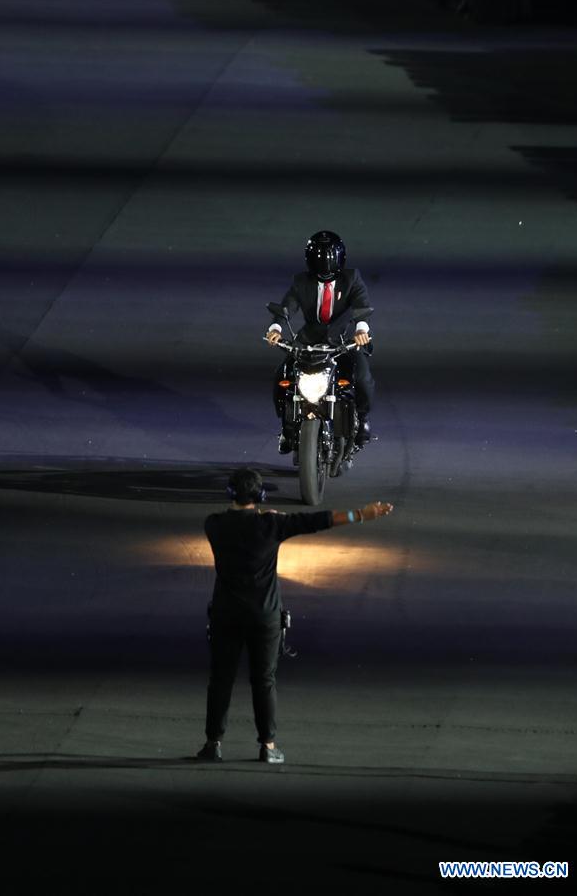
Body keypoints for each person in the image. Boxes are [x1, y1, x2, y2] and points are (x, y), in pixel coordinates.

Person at [197, 467, 394, 764]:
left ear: (230, 494)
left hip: (226, 614)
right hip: (264, 616)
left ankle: (213, 743)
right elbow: (318, 521)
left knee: (220, 680)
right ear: (260, 495)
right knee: (264, 680)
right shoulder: (273, 525)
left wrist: (266, 518)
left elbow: (235, 522)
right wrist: (361, 514)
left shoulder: (213, 525)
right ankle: (268, 745)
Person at [266, 230, 375, 450]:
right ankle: (287, 427)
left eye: (330, 259)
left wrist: (361, 330)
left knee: (362, 379)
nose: (325, 265)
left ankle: (362, 420)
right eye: (319, 259)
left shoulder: (352, 278)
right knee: (282, 377)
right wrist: (275, 328)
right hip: (308, 341)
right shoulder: (301, 281)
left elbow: (361, 307)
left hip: (344, 342)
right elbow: (287, 306)